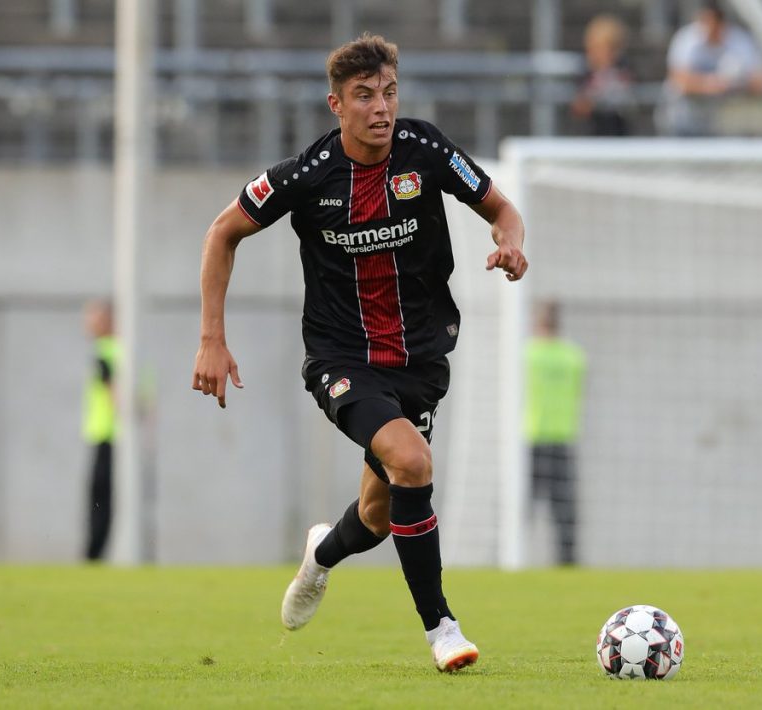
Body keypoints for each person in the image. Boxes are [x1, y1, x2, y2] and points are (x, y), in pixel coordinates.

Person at [191, 34, 527, 672]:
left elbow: (501, 208)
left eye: (390, 93)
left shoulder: (425, 150)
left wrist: (509, 242)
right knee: (413, 461)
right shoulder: (306, 176)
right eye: (365, 96)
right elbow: (221, 233)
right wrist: (212, 338)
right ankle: (442, 629)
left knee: (377, 513)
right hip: (341, 359)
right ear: (336, 105)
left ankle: (320, 556)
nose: (382, 108)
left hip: (420, 360)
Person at [525, 301, 586, 565]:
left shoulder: (526, 355)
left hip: (530, 438)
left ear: (536, 321)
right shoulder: (574, 357)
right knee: (564, 509)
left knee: (520, 507)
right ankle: (567, 563)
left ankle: (506, 557)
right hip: (562, 438)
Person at [657, 0, 762, 137]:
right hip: (684, 118)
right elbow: (679, 80)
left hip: (725, 124)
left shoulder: (740, 41)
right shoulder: (686, 39)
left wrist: (735, 84)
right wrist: (712, 85)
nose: (707, 30)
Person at [81, 299, 118, 562]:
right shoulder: (129, 351)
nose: (87, 323)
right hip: (115, 436)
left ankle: (94, 555)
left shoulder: (105, 353)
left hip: (108, 435)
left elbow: (114, 392)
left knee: (99, 498)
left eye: (93, 317)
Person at [571, 14, 634, 136]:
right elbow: (578, 107)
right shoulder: (584, 71)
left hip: (618, 133)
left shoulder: (624, 68)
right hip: (591, 134)